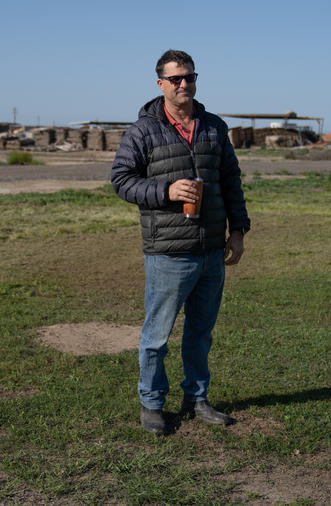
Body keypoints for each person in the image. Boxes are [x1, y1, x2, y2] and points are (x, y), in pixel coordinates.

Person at [111, 49, 251, 435]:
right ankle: (152, 404)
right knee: (157, 336)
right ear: (161, 84)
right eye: (176, 79)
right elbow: (121, 180)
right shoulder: (143, 130)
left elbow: (231, 181)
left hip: (211, 249)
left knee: (201, 333)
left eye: (189, 77)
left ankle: (197, 398)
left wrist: (237, 230)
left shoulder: (213, 126)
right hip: (168, 252)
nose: (184, 84)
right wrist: (166, 191)